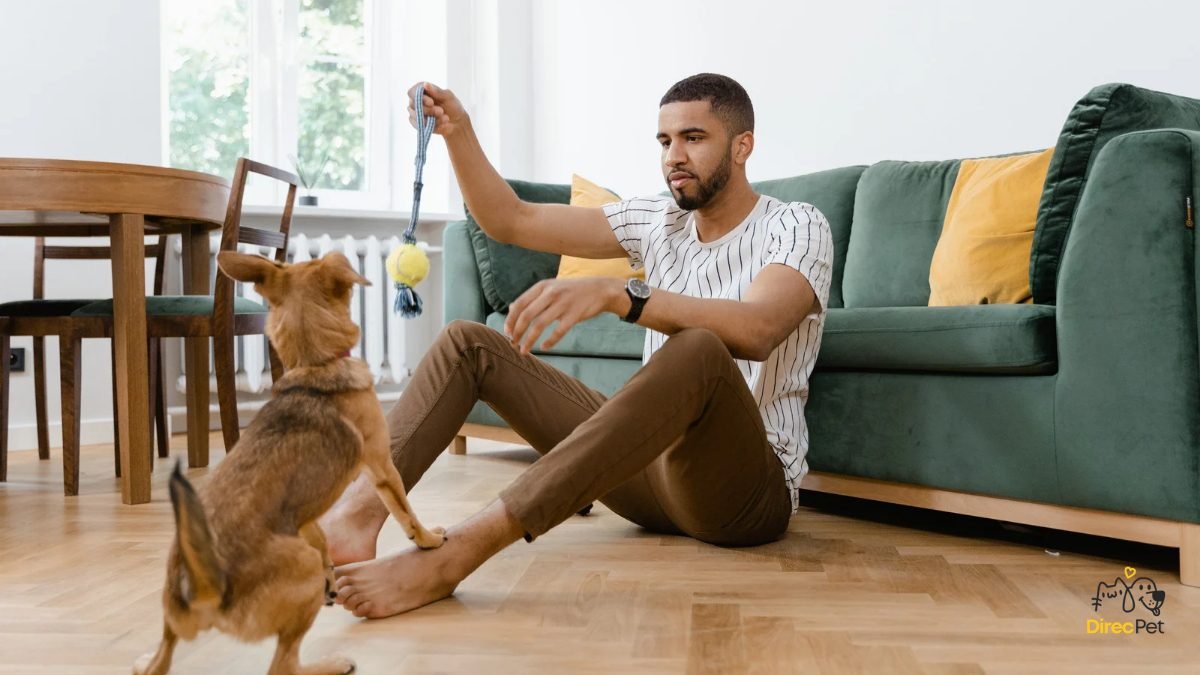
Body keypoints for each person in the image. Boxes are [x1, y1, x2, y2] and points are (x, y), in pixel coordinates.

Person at [320, 73, 833, 619]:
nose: (674, 157)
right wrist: (458, 131)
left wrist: (621, 294)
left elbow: (758, 329)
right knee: (468, 344)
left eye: (693, 138)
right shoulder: (657, 221)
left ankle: (457, 553)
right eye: (664, 141)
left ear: (742, 145)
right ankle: (355, 518)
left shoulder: (797, 224)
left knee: (699, 350)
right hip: (649, 483)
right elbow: (510, 219)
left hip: (743, 498)